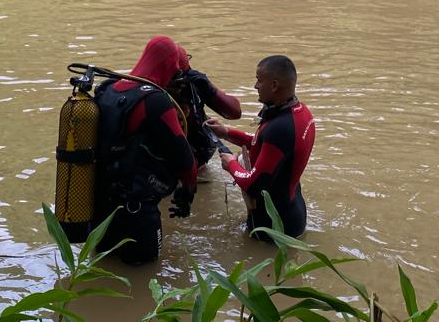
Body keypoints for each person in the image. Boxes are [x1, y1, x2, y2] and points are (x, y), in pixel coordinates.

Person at [94, 35, 197, 264]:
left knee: (100, 268)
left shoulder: (107, 89)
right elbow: (184, 157)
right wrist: (188, 189)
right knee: (147, 274)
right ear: (169, 66)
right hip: (136, 212)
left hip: (99, 208)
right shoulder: (155, 100)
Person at [207, 54, 315, 238]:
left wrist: (231, 164)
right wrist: (226, 132)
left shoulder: (280, 128)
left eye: (259, 81)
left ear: (274, 85)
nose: (255, 86)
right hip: (293, 212)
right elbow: (263, 143)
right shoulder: (300, 112)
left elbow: (254, 185)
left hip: (273, 227)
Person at [168, 46, 242, 167]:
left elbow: (234, 113)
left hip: (197, 148)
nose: (178, 85)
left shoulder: (194, 83)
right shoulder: (151, 90)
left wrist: (209, 88)